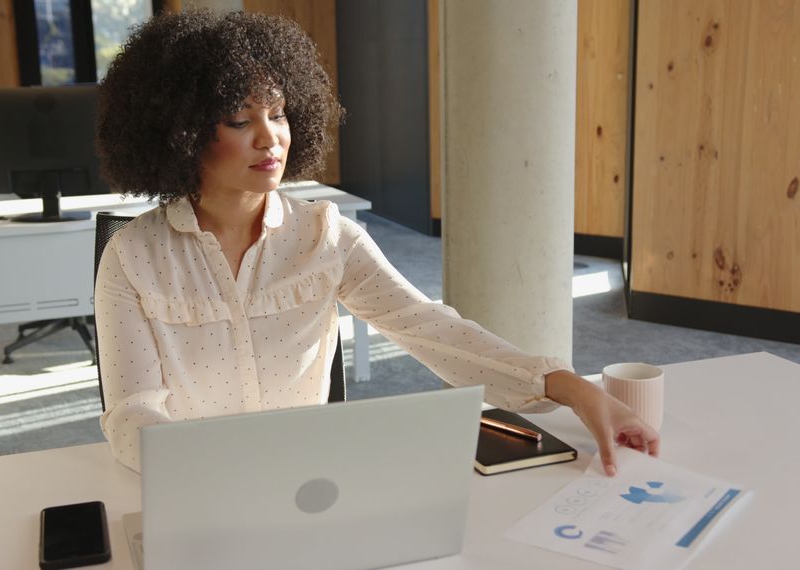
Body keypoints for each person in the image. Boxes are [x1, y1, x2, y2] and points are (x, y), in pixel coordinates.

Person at [93, 9, 659, 475]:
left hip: (311, 485)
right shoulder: (133, 258)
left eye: (279, 114)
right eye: (241, 120)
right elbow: (131, 414)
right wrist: (210, 471)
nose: (271, 138)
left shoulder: (325, 236)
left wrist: (577, 392)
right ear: (182, 132)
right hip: (195, 486)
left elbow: (432, 329)